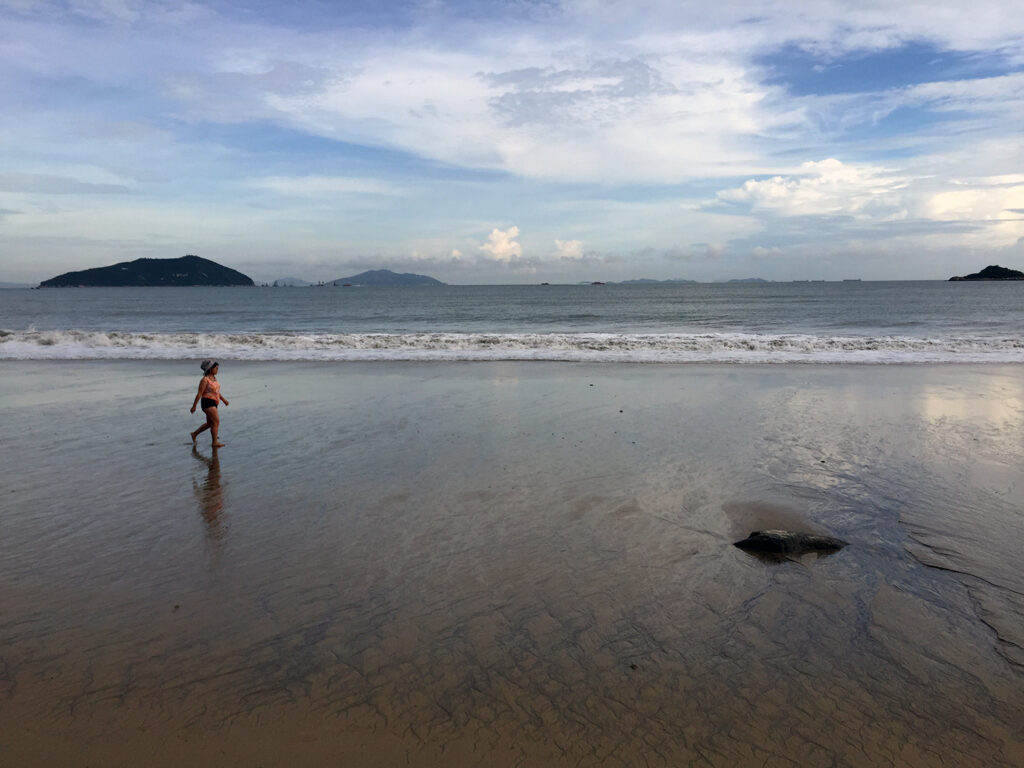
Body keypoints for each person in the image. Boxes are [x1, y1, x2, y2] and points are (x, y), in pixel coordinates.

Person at [190, 360, 229, 448]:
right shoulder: (204, 380)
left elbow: (217, 392)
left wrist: (224, 400)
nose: (217, 370)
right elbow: (199, 393)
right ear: (210, 369)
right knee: (216, 422)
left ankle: (194, 434)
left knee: (210, 424)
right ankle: (215, 442)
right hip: (207, 402)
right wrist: (194, 406)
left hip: (214, 402)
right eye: (216, 368)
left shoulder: (214, 379)